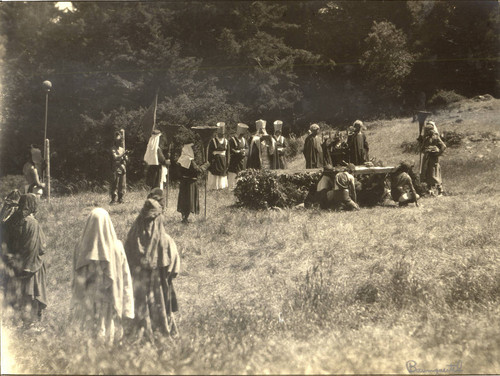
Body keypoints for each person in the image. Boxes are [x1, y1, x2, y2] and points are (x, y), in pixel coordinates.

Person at [71, 208, 134, 344]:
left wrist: (75, 297)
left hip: (88, 298)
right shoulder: (117, 247)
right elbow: (125, 277)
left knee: (88, 334)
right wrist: (127, 306)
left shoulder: (81, 246)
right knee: (106, 331)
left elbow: (75, 275)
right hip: (109, 298)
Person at [124, 196, 181, 340]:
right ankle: (161, 332)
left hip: (138, 287)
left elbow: (125, 263)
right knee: (160, 306)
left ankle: (141, 333)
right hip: (159, 287)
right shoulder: (165, 240)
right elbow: (173, 269)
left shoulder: (132, 237)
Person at [1, 194, 48, 326]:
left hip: (14, 264)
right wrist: (28, 266)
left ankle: (17, 319)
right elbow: (34, 246)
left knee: (17, 293)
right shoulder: (32, 223)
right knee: (31, 293)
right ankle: (31, 322)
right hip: (30, 264)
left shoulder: (12, 220)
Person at [176, 141, 204, 223]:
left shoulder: (181, 158)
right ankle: (185, 219)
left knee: (184, 200)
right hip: (190, 183)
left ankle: (184, 217)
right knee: (189, 200)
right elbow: (198, 170)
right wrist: (205, 165)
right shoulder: (189, 160)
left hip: (183, 182)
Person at [420, 121, 446, 196]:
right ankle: (429, 191)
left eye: (429, 130)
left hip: (433, 159)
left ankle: (440, 190)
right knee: (426, 173)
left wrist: (438, 153)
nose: (428, 132)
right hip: (426, 159)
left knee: (434, 174)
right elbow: (422, 149)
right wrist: (421, 142)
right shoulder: (426, 138)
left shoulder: (435, 137)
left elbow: (443, 146)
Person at [207, 122, 229, 190]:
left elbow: (228, 153)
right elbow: (209, 153)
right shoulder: (213, 141)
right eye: (220, 134)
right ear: (217, 133)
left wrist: (227, 162)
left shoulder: (226, 141)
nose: (221, 135)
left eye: (222, 134)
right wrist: (210, 162)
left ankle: (221, 187)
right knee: (214, 174)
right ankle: (213, 188)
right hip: (215, 161)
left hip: (223, 161)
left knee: (222, 175)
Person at [227, 123, 248, 189]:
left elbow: (247, 148)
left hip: (241, 160)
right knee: (233, 174)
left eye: (242, 135)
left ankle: (239, 187)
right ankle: (231, 187)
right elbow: (230, 148)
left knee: (241, 173)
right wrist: (236, 151)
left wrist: (244, 152)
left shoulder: (244, 140)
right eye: (240, 135)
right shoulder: (232, 140)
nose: (241, 136)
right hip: (234, 160)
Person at [110, 130, 128, 204]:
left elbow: (127, 159)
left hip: (122, 167)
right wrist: (122, 155)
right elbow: (115, 157)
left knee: (122, 184)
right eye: (118, 141)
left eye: (120, 141)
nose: (120, 142)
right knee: (115, 184)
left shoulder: (122, 149)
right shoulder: (113, 148)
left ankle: (121, 198)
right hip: (116, 168)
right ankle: (114, 199)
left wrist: (126, 156)